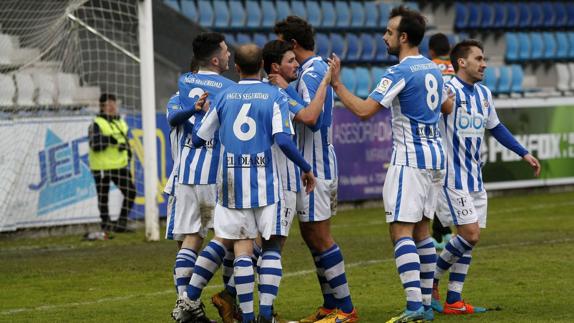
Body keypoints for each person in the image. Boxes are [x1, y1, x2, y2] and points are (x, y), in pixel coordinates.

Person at [328, 5, 454, 322]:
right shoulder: (433, 69)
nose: (385, 37)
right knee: (423, 232)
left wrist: (337, 84)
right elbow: (448, 106)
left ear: (404, 36)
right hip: (436, 156)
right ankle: (425, 305)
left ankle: (414, 306)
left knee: (401, 233)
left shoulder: (398, 72)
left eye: (389, 32)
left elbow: (364, 111)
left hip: (409, 159)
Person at [186, 43, 316, 323]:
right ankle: (265, 314)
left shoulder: (224, 96)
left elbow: (198, 138)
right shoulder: (274, 96)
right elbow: (283, 139)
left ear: (237, 67)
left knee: (242, 247)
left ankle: (245, 317)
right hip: (267, 184)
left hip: (232, 183)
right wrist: (305, 167)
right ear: (261, 66)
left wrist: (202, 117)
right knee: (270, 248)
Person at [431, 39, 541, 315]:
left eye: (484, 59)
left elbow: (497, 127)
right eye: (479, 59)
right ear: (461, 62)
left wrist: (523, 153)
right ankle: (430, 278)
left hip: (475, 178)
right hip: (451, 177)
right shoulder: (448, 90)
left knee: (467, 240)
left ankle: (454, 299)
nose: (484, 64)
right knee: (471, 234)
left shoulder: (484, 94)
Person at [274, 16, 358, 323]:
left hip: (316, 167)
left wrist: (286, 89)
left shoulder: (313, 72)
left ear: (293, 45)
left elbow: (316, 119)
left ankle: (346, 309)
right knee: (312, 238)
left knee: (321, 238)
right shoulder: (313, 70)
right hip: (310, 166)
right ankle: (329, 305)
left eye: (283, 43)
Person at [167, 32, 236, 322]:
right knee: (231, 237)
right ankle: (204, 300)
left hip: (185, 173)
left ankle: (186, 307)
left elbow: (172, 119)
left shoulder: (182, 87)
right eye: (226, 51)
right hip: (214, 173)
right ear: (216, 59)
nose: (230, 54)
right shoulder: (230, 89)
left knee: (190, 240)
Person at [88, 93, 136, 233]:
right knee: (103, 196)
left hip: (119, 165)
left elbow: (125, 140)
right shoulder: (96, 123)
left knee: (131, 192)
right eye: (109, 104)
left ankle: (121, 223)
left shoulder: (120, 122)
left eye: (114, 104)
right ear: (102, 107)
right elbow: (94, 145)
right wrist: (109, 141)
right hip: (102, 167)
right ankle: (106, 224)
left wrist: (125, 149)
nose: (113, 107)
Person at [428, 32, 456, 249]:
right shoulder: (458, 68)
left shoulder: (429, 67)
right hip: (458, 132)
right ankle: (443, 230)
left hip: (435, 132)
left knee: (434, 183)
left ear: (431, 50)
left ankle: (439, 232)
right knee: (450, 182)